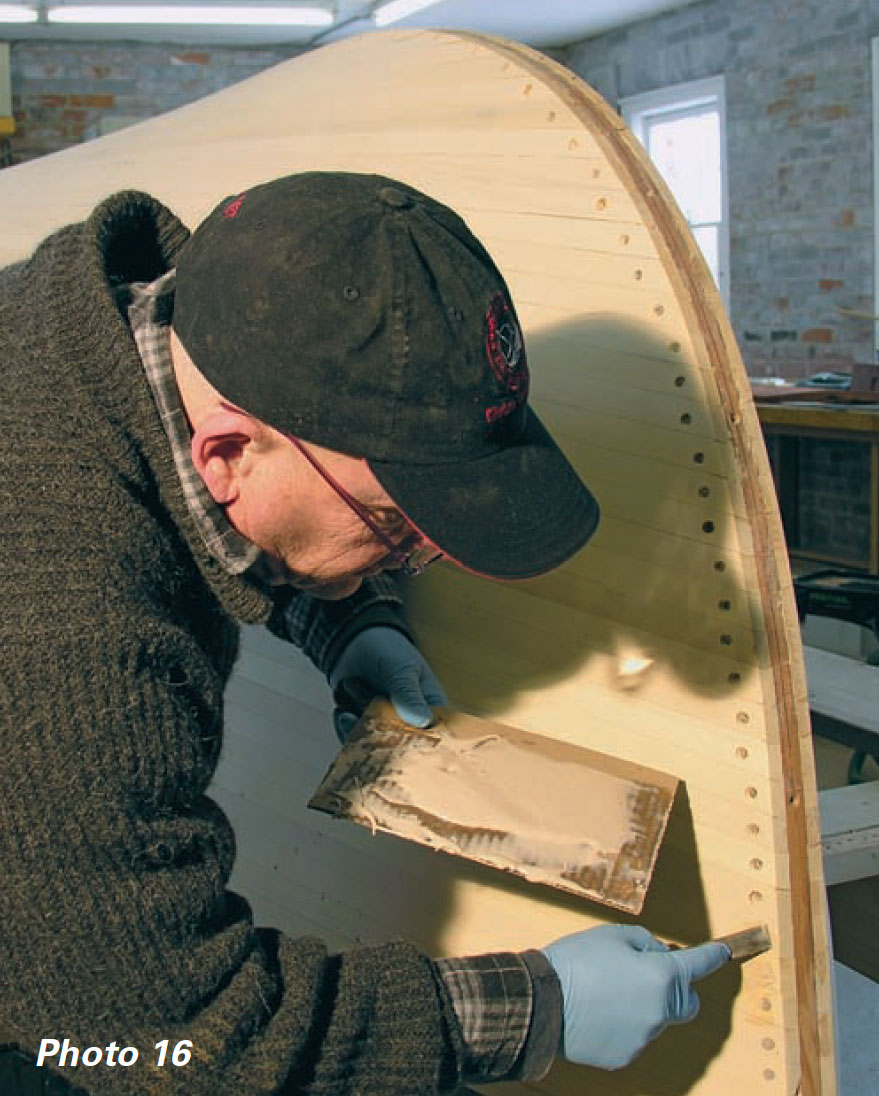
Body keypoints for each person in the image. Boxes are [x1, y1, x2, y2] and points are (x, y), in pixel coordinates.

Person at [0, 171, 730, 1095]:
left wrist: (346, 617)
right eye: (393, 525)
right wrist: (532, 1007)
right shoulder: (66, 634)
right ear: (227, 453)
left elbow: (212, 513)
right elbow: (154, 1032)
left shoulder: (161, 327)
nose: (415, 559)